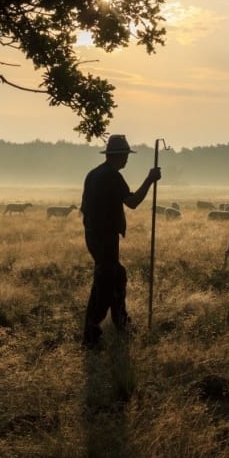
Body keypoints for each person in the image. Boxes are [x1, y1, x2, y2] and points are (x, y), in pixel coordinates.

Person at [80, 134, 161, 348]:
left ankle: (121, 324)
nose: (126, 159)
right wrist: (150, 180)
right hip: (104, 236)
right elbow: (132, 202)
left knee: (114, 276)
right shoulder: (111, 176)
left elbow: (85, 209)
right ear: (118, 155)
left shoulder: (94, 174)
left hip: (94, 235)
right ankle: (93, 332)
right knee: (106, 281)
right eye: (125, 155)